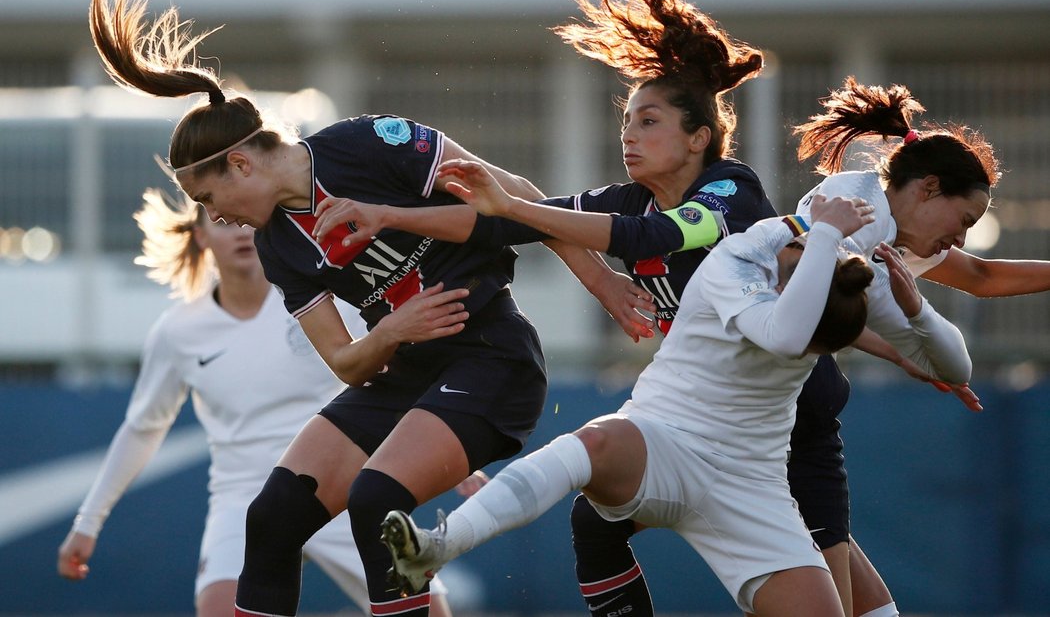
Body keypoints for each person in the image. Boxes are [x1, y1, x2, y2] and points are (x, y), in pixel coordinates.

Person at [86, 0, 638, 617]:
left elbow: (511, 193)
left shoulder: (365, 144)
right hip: (405, 371)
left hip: (492, 358)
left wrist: (603, 280)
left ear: (241, 164)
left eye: (211, 199)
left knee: (377, 499)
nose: (218, 216)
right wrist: (392, 332)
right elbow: (346, 362)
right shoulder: (277, 245)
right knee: (270, 519)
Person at [381, 192, 974, 617]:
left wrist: (915, 310)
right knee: (593, 443)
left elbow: (956, 367)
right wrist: (819, 230)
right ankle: (439, 545)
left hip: (752, 484)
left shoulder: (823, 272)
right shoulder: (736, 259)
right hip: (663, 440)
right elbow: (789, 332)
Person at [54, 188, 454, 616]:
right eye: (220, 222)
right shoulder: (177, 331)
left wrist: (455, 446)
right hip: (242, 499)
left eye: (245, 219)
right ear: (200, 235)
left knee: (430, 613)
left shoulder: (322, 299)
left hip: (341, 485)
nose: (238, 231)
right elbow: (143, 428)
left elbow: (400, 371)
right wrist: (88, 521)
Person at [792, 75, 1002, 617]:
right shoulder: (856, 211)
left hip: (798, 416)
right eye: (964, 220)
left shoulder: (890, 240)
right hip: (781, 422)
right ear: (929, 187)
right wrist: (906, 340)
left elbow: (956, 360)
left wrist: (914, 321)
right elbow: (801, 287)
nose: (961, 238)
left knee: (874, 612)